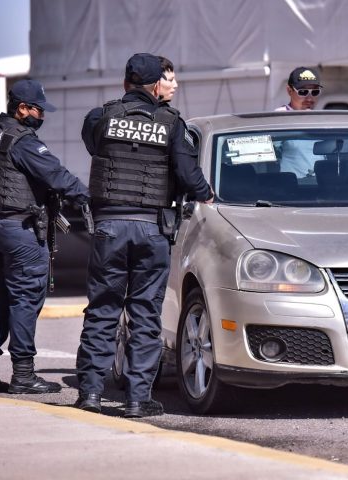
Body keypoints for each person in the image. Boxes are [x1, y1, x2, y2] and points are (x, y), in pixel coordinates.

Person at [76, 53, 214, 418]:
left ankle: (90, 392)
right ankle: (138, 398)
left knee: (103, 310)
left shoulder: (100, 116)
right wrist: (208, 194)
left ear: (125, 83)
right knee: (145, 314)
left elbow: (94, 147)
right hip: (151, 229)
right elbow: (187, 175)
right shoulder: (171, 123)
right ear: (157, 86)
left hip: (109, 227)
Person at [0, 79, 90, 395]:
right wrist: (90, 197)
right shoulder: (23, 142)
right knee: (25, 298)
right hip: (17, 230)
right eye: (38, 110)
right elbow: (58, 177)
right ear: (22, 109)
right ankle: (23, 374)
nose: (42, 117)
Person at [275, 67, 325, 179]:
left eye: (315, 92)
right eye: (303, 92)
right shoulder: (280, 116)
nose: (309, 98)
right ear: (289, 91)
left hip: (319, 187)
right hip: (292, 189)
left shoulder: (319, 119)